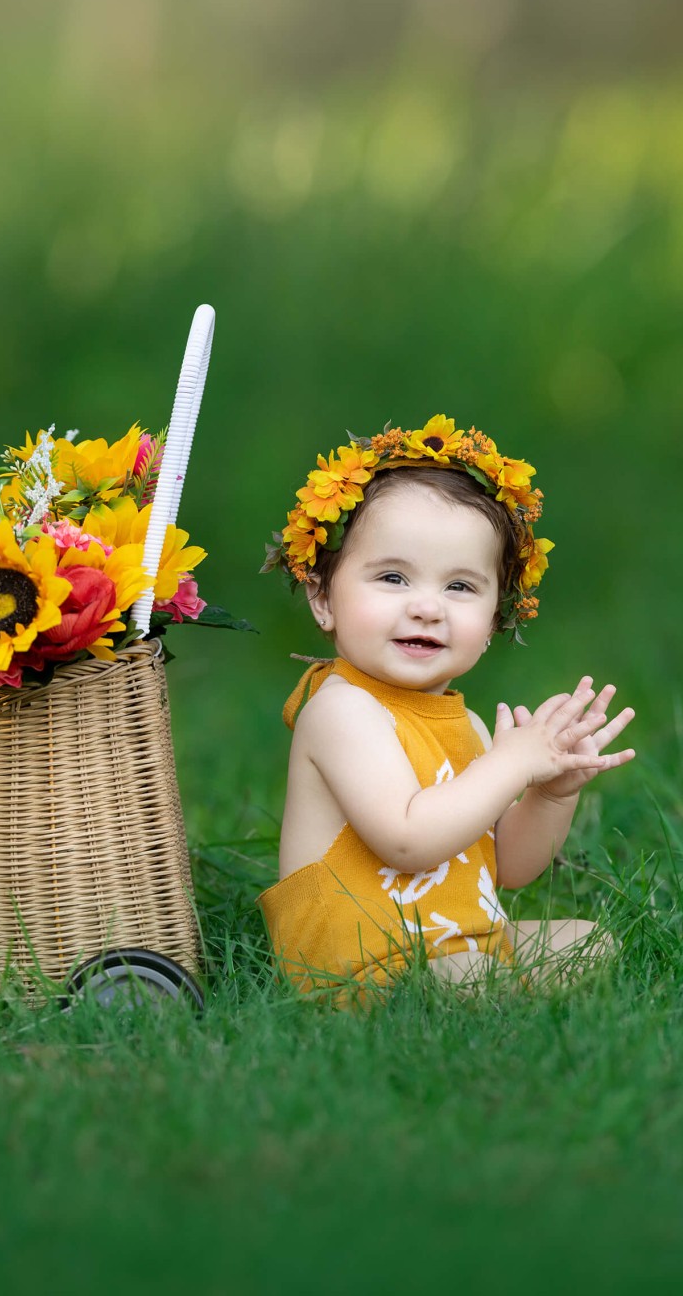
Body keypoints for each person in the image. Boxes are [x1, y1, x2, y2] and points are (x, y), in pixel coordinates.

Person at [257, 415, 635, 999]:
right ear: (323, 598)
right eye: (392, 577)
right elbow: (408, 841)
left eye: (460, 587)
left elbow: (506, 867)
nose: (428, 607)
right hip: (358, 961)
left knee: (590, 941)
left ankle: (491, 983)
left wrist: (550, 793)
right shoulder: (340, 711)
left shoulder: (470, 726)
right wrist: (510, 765)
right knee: (476, 976)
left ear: (491, 622)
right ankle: (473, 994)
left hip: (452, 942)